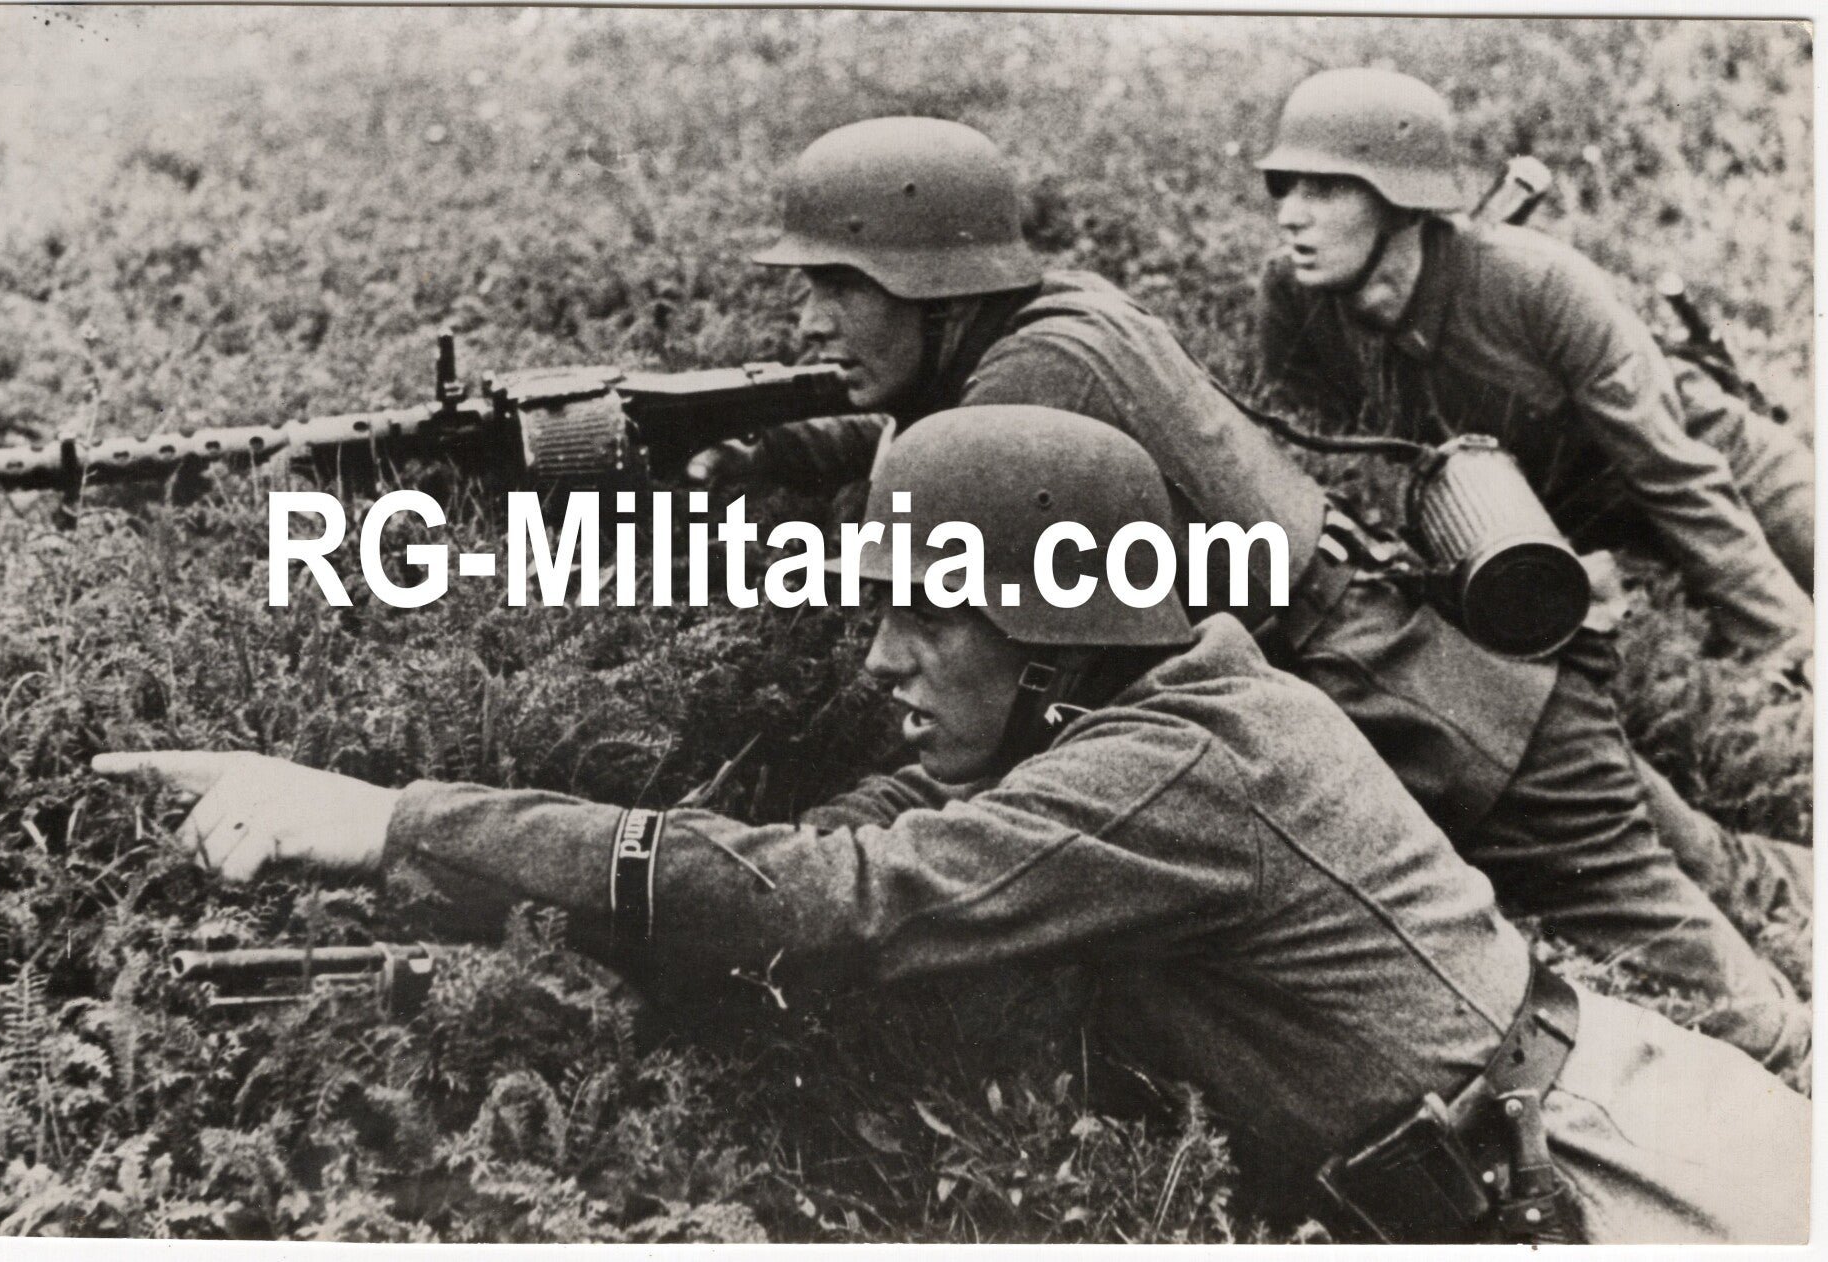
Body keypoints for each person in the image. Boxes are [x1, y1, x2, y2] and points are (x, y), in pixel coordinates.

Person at [94, 407, 1809, 1244]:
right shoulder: (1140, 703)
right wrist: (513, 876)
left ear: (1047, 631)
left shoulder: (1171, 770)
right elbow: (877, 825)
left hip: (1627, 1195)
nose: (881, 656)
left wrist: (386, 815)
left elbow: (832, 901)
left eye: (926, 613)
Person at [688, 117, 1809, 1072]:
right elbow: (918, 418)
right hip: (1433, 656)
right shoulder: (1057, 314)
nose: (810, 320)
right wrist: (775, 445)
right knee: (1734, 873)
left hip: (1440, 721)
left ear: (939, 289)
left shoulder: (1030, 384)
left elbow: (941, 548)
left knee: (1740, 1013)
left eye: (841, 285)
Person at [1253, 67, 1814, 664]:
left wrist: (1791, 644)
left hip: (1713, 469)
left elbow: (1672, 473)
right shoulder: (1294, 298)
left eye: (1325, 190)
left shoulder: (1538, 283)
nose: (1290, 215)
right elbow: (1323, 472)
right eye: (1287, 187)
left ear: (1402, 206)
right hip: (1573, 532)